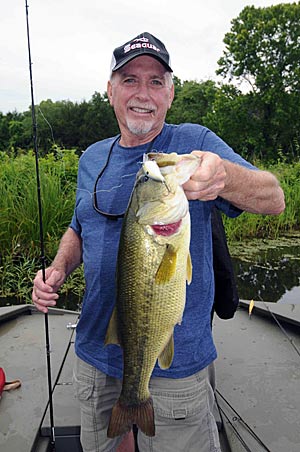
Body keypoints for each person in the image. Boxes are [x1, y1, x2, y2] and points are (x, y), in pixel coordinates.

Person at [32, 32, 285, 452]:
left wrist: (226, 176)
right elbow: (80, 227)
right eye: (129, 80)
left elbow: (274, 199)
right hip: (96, 349)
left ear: (170, 92)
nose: (142, 93)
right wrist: (58, 268)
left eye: (155, 81)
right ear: (110, 90)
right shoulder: (92, 157)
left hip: (176, 362)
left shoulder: (197, 144)